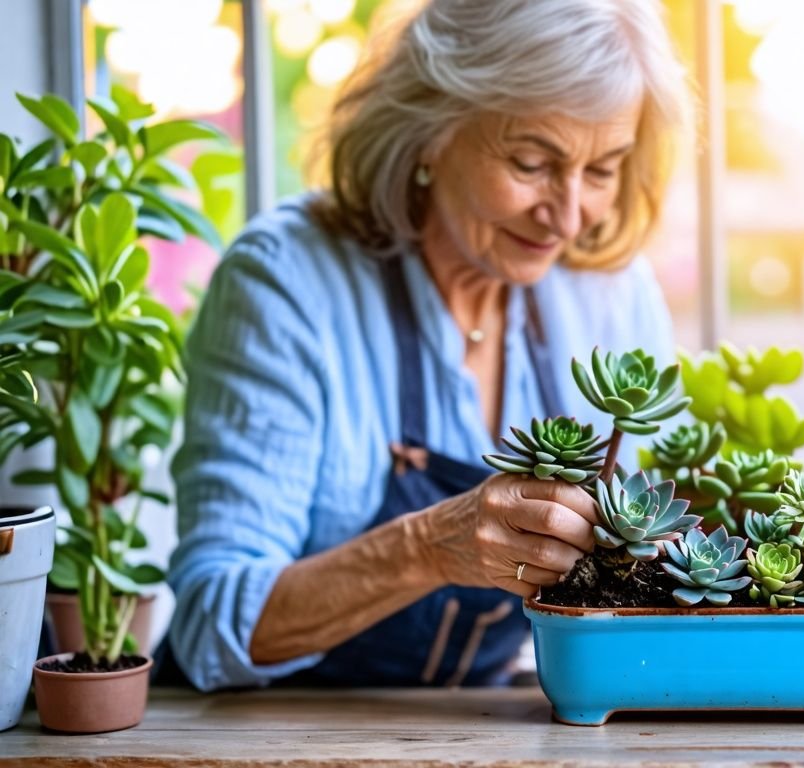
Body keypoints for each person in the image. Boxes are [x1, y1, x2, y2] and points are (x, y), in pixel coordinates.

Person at [167, 0, 689, 691]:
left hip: (486, 729)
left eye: (602, 171)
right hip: (278, 734)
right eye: (533, 162)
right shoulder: (286, 282)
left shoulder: (612, 293)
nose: (568, 217)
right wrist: (424, 548)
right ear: (433, 126)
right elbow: (211, 624)